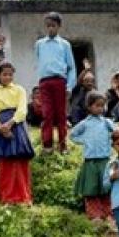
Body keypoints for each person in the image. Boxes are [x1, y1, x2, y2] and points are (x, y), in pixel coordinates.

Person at [0, 61, 34, 205]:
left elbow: (22, 109)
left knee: (20, 161)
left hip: (17, 126)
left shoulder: (20, 90)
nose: (7, 77)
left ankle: (23, 196)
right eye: (4, 74)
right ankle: (6, 196)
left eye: (10, 74)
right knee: (5, 162)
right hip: (0, 129)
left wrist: (10, 123)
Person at [70, 91, 116, 221]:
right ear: (89, 107)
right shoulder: (85, 124)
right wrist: (84, 140)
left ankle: (109, 214)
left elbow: (118, 132)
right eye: (97, 105)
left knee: (106, 188)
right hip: (90, 161)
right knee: (91, 189)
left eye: (102, 106)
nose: (100, 108)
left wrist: (112, 141)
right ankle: (94, 215)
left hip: (105, 160)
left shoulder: (106, 122)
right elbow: (73, 134)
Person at [35, 12, 76, 154]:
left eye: (53, 26)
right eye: (48, 26)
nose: (50, 29)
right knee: (47, 113)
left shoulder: (65, 44)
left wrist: (69, 86)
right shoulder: (40, 44)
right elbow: (40, 61)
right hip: (44, 82)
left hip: (60, 81)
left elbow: (71, 67)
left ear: (59, 26)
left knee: (61, 114)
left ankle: (63, 145)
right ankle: (47, 145)